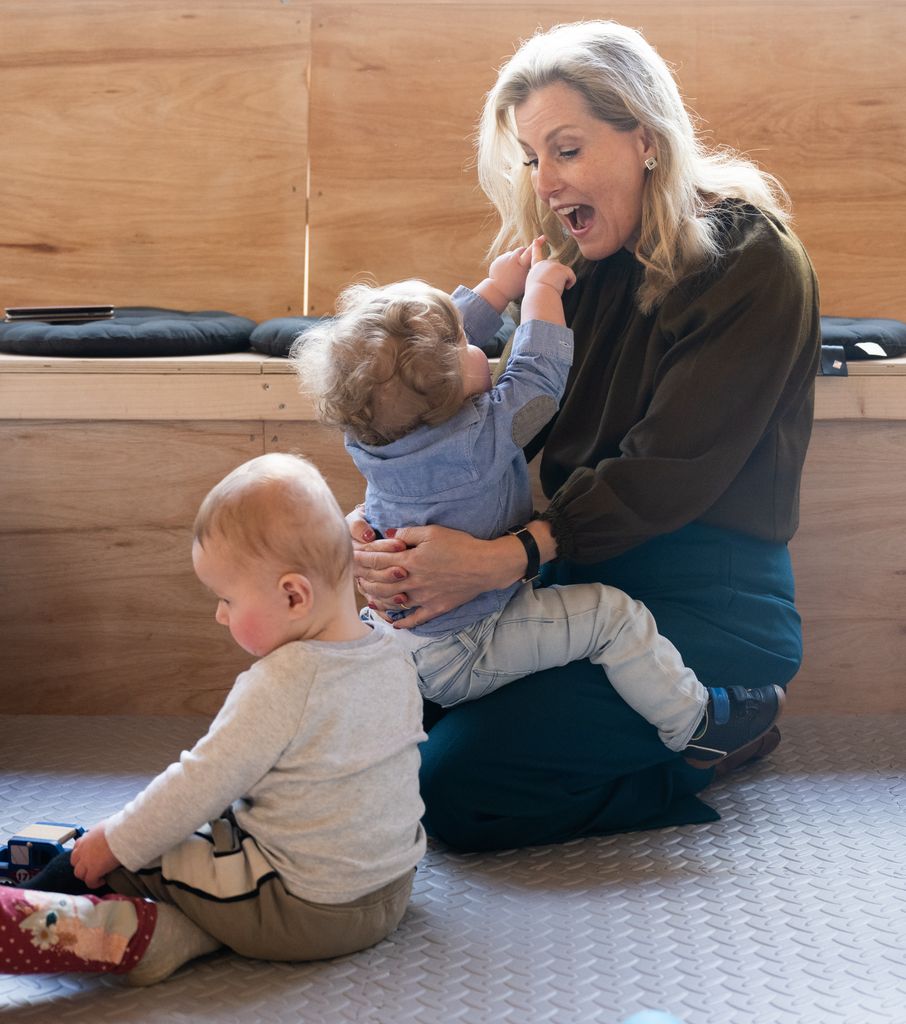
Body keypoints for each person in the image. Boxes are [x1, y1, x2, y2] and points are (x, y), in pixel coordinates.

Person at [347, 20, 821, 852]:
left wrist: (501, 557)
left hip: (709, 594)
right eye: (533, 158)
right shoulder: (573, 265)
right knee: (366, 726)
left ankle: (721, 731)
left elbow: (664, 473)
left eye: (565, 149)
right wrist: (383, 531)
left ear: (644, 138)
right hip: (572, 575)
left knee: (453, 790)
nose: (545, 179)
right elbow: (472, 419)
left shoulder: (753, 260)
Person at [293, 238, 783, 766]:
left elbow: (422, 356)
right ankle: (695, 723)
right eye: (465, 344)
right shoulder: (477, 443)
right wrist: (539, 289)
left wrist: (497, 286)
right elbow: (538, 375)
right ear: (446, 387)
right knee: (613, 617)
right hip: (471, 644)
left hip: (396, 636)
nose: (474, 341)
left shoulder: (371, 431)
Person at [4, 453, 425, 984]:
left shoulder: (282, 682)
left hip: (310, 908)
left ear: (293, 595)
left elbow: (198, 783)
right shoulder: (390, 648)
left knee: (140, 848)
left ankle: (37, 904)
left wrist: (112, 841)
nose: (219, 614)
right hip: (390, 889)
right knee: (203, 836)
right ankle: (184, 936)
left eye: (227, 598)